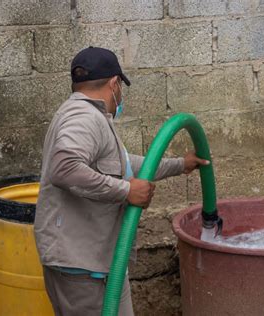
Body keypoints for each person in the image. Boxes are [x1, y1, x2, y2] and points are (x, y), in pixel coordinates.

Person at [34, 46, 210, 316]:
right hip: (83, 269)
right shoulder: (84, 118)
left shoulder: (86, 116)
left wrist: (180, 165)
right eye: (121, 88)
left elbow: (126, 165)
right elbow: (65, 168)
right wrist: (126, 191)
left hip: (94, 264)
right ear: (114, 83)